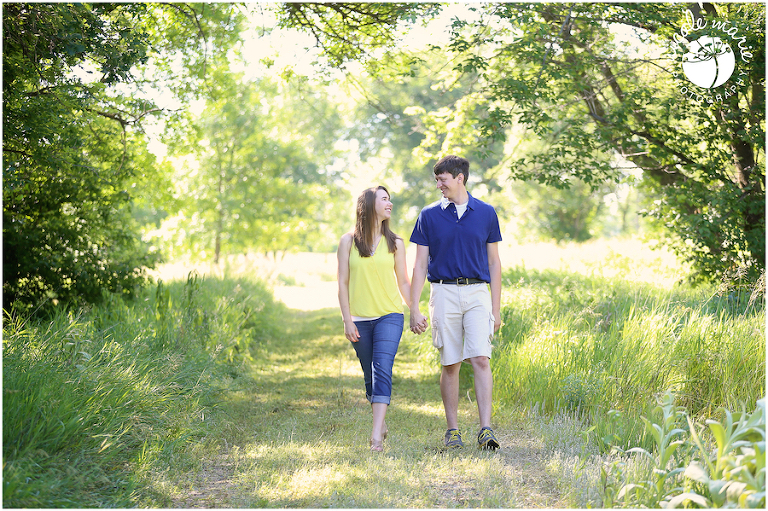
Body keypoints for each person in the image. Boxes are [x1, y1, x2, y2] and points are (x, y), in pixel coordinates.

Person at [409, 155, 503, 450]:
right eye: (437, 180)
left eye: (442, 179)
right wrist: (414, 307)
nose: (439, 185)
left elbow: (494, 262)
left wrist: (496, 309)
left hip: (477, 293)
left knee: (480, 358)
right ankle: (453, 431)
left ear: (459, 178)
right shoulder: (428, 215)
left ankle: (485, 429)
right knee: (450, 363)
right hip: (444, 292)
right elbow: (419, 265)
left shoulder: (486, 213)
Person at [337, 185, 412, 452]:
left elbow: (404, 281)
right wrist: (347, 320)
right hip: (359, 318)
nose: (389, 203)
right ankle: (380, 423)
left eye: (389, 199)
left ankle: (375, 437)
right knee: (369, 375)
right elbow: (343, 283)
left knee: (382, 367)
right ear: (369, 205)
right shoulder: (348, 242)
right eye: (384, 199)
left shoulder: (396, 243)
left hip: (390, 315)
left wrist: (414, 308)